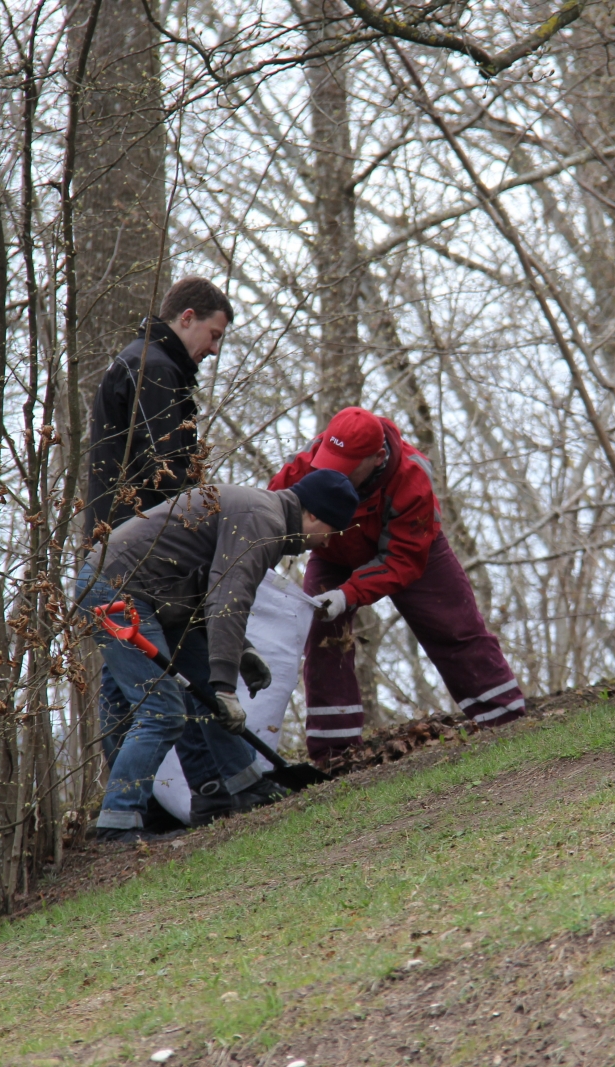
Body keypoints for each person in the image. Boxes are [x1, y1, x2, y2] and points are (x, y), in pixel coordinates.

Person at [77, 470, 359, 842]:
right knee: (161, 710)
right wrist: (227, 687)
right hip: (120, 590)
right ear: (315, 517)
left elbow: (207, 589)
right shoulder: (265, 522)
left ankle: (243, 785)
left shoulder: (261, 511)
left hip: (157, 595)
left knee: (192, 693)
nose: (325, 545)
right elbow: (228, 600)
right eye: (332, 532)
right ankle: (118, 824)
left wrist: (242, 652)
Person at [268, 406, 525, 760]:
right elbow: (271, 510)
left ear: (377, 458)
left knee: (454, 626)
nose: (330, 473)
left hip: (413, 549)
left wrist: (349, 594)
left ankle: (506, 720)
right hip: (333, 553)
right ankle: (335, 754)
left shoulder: (412, 475)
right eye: (329, 460)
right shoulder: (311, 459)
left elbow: (401, 559)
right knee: (322, 635)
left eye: (344, 467)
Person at [83, 276, 230, 781]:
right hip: (140, 553)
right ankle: (185, 792)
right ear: (186, 317)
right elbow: (168, 470)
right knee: (160, 676)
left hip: (115, 545)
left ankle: (148, 800)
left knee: (124, 678)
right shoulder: (155, 368)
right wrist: (196, 536)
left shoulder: (143, 361)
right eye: (213, 335)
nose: (214, 350)